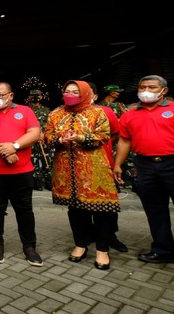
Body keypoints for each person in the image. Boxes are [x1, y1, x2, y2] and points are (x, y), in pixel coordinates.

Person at [45, 80, 120, 270]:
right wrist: (58, 139)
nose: (70, 94)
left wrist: (80, 137)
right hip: (66, 169)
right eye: (67, 91)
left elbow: (104, 136)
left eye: (75, 92)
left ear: (86, 93)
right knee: (76, 209)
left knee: (102, 209)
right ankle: (80, 244)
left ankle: (102, 250)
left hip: (94, 168)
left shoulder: (97, 112)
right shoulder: (55, 113)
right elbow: (47, 136)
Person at [0, 82, 43, 267]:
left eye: (1, 94)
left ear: (11, 95)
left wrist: (15, 146)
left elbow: (35, 133)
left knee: (25, 211)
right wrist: (5, 151)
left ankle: (29, 246)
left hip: (22, 171)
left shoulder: (25, 111)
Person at [114, 75, 174, 264]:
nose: (146, 90)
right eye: (142, 87)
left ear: (164, 91)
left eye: (152, 87)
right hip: (145, 165)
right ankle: (163, 251)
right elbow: (125, 140)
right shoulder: (129, 114)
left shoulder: (173, 109)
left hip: (172, 164)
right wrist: (117, 164)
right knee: (155, 210)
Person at [89, 82, 128, 252]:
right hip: (78, 167)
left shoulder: (106, 111)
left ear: (95, 95)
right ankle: (85, 236)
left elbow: (117, 133)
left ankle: (110, 235)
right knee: (80, 205)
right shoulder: (66, 113)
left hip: (103, 163)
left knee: (107, 204)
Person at [27, 89, 52, 191]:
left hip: (44, 140)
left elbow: (50, 125)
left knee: (47, 161)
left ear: (41, 97)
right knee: (33, 161)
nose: (35, 98)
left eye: (37, 96)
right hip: (32, 140)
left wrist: (44, 135)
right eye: (33, 96)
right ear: (30, 97)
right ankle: (36, 182)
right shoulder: (27, 110)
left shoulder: (47, 110)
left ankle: (48, 182)